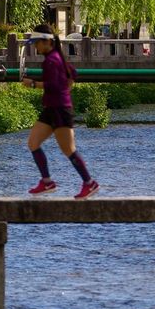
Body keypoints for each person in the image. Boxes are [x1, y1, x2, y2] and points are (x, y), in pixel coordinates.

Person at [22, 24, 100, 199]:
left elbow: (55, 85)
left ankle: (89, 183)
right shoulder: (57, 58)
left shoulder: (52, 61)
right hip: (51, 109)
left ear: (47, 42)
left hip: (60, 110)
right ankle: (47, 181)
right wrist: (66, 90)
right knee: (33, 143)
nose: (35, 46)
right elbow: (72, 74)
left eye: (37, 43)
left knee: (69, 150)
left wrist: (33, 84)